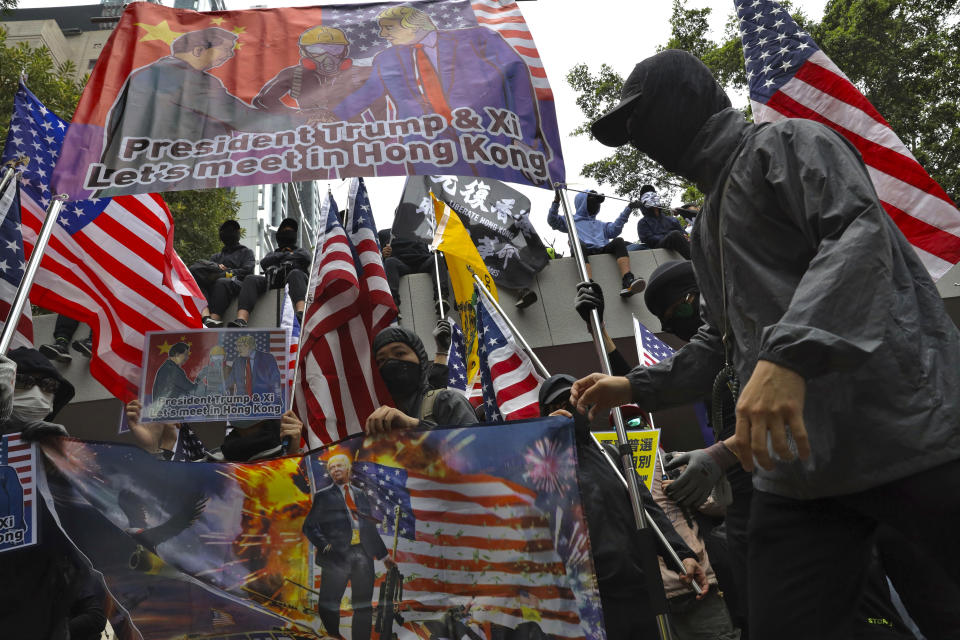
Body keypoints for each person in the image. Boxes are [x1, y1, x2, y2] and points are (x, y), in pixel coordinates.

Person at [573, 49, 960, 638]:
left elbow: (856, 237)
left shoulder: (787, 144)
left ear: (684, 97)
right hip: (802, 472)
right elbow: (720, 344)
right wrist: (632, 384)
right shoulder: (704, 228)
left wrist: (789, 355)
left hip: (903, 433)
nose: (637, 138)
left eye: (639, 119)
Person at [537, 374, 708, 639]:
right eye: (556, 405)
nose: (567, 410)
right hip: (589, 602)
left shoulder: (613, 456)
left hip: (642, 592)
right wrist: (541, 438)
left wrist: (681, 554)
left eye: (572, 401)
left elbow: (647, 510)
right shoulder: (540, 466)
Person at [330, 5, 553, 184]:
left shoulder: (479, 39)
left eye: (388, 27)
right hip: (427, 153)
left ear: (412, 25)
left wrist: (526, 140)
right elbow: (365, 95)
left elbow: (518, 79)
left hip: (488, 144)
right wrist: (328, 116)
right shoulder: (385, 59)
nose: (382, 34)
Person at [100, 28, 291, 194]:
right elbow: (243, 118)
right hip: (160, 180)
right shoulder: (190, 78)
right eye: (226, 49)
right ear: (199, 50)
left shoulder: (145, 73)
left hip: (124, 174)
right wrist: (302, 122)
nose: (230, 55)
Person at [0, 348, 80, 640]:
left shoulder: (58, 455)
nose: (37, 392)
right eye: (23, 381)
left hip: (42, 618)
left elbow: (87, 540)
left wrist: (67, 471)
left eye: (48, 386)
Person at [302, 453, 396, 640]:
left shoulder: (360, 494)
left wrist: (384, 556)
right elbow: (309, 526)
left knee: (363, 604)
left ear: (348, 469)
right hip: (336, 556)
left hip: (363, 553)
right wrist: (325, 547)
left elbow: (368, 528)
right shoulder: (323, 496)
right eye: (332, 468)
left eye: (339, 466)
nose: (335, 470)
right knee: (328, 603)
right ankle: (334, 635)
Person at [365, 326, 478, 435]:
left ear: (421, 359)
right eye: (382, 360)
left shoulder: (447, 402)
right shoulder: (377, 418)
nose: (390, 363)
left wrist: (416, 426)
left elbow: (476, 446)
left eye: (400, 353)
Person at [547, 190, 645, 296]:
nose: (595, 204)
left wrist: (628, 209)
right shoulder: (570, 220)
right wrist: (557, 200)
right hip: (584, 250)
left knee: (619, 241)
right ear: (582, 201)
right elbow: (552, 220)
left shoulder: (601, 224)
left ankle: (628, 280)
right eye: (592, 200)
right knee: (578, 245)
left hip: (602, 249)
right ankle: (588, 285)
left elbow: (614, 230)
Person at [229, 218, 311, 328]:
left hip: (294, 281)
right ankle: (241, 320)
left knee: (296, 273)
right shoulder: (272, 254)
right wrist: (286, 256)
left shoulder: (300, 251)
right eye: (285, 230)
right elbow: (264, 262)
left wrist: (281, 258)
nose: (288, 232)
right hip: (272, 282)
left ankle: (301, 313)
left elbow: (306, 258)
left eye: (291, 230)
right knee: (250, 279)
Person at [191, 220, 256, 328]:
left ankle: (214, 319)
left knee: (221, 281)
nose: (229, 232)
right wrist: (216, 269)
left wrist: (227, 272)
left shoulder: (246, 252)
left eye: (233, 230)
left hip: (238, 284)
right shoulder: (216, 257)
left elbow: (247, 270)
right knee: (196, 280)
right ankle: (205, 316)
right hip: (215, 285)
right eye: (226, 230)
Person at [380, 223, 450, 314]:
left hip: (423, 262)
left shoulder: (424, 232)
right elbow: (377, 260)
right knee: (389, 262)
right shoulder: (385, 234)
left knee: (437, 259)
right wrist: (383, 255)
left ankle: (441, 297)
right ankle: (393, 303)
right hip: (401, 264)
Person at [636, 188, 691, 259]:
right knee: (675, 234)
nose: (653, 198)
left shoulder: (672, 219)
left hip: (680, 242)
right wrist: (669, 236)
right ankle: (695, 261)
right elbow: (648, 240)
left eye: (654, 195)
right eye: (647, 196)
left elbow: (683, 233)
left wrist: (685, 236)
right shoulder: (643, 222)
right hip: (658, 247)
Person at [224, 334, 283, 401]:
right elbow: (229, 381)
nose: (237, 349)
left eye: (240, 346)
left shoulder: (267, 358)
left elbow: (275, 380)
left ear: (249, 346)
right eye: (237, 346)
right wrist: (216, 392)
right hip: (242, 403)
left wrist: (277, 398)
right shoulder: (237, 361)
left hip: (263, 401)